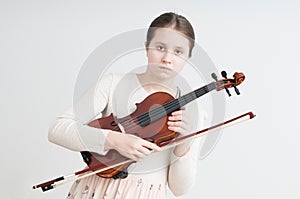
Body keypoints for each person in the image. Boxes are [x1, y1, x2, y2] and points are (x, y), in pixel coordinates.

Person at [48, 12, 206, 199]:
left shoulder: (193, 114)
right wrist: (113, 140)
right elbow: (58, 130)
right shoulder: (112, 83)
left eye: (178, 51)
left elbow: (179, 189)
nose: (167, 58)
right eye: (160, 47)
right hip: (96, 191)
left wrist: (184, 142)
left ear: (188, 56)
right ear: (146, 48)